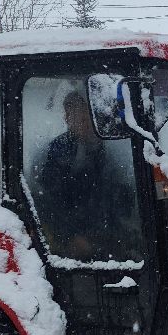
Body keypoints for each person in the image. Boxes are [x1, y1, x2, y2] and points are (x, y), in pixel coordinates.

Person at [31, 89, 135, 260]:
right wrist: (70, 236)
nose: (86, 124)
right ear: (67, 119)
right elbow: (50, 202)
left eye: (89, 118)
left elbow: (118, 191)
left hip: (107, 231)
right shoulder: (59, 151)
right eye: (80, 118)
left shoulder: (107, 147)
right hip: (75, 238)